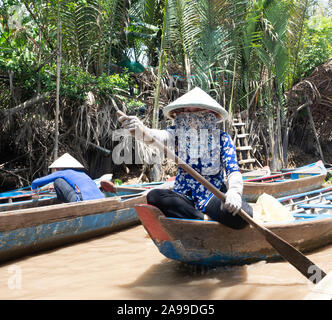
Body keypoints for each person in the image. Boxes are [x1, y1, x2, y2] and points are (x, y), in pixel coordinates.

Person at [118, 87, 253, 230]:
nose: (187, 116)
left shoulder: (222, 138)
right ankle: (201, 219)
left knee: (243, 215)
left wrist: (234, 192)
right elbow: (157, 137)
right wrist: (141, 130)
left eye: (192, 111)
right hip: (184, 196)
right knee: (154, 196)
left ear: (208, 113)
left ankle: (201, 217)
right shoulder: (176, 134)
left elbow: (233, 171)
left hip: (212, 196)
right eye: (185, 111)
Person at [31, 153, 105, 203]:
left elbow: (35, 182)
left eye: (56, 168)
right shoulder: (82, 174)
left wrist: (35, 195)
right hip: (101, 198)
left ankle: (64, 204)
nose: (55, 170)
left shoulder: (62, 172)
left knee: (57, 181)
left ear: (59, 167)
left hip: (81, 200)